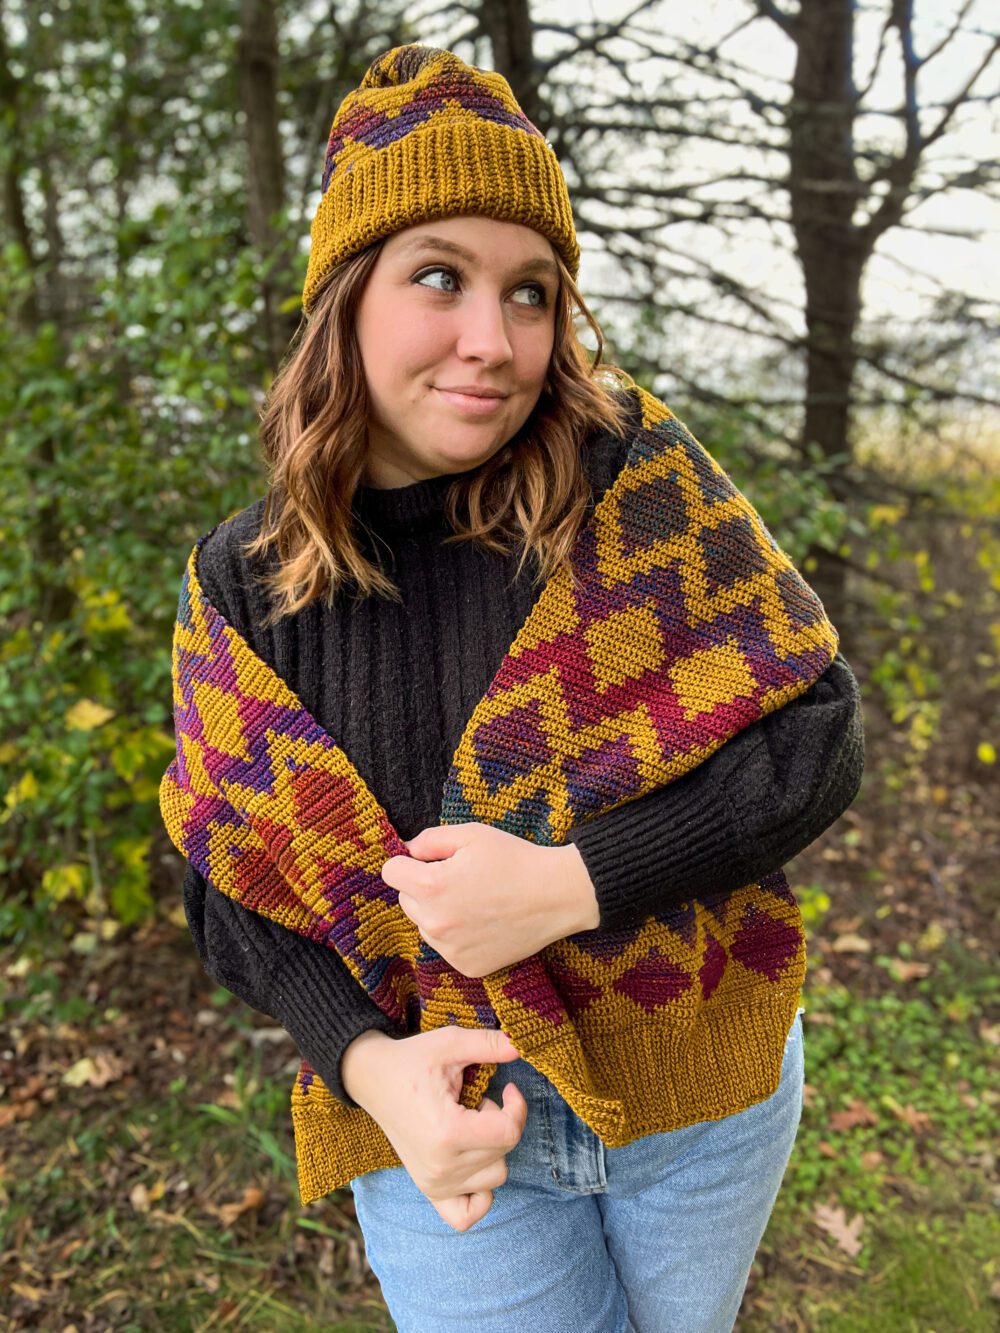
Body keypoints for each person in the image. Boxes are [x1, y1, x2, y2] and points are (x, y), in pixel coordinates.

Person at [172, 43, 864, 1333]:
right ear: (345, 298)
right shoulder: (247, 583)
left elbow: (815, 732)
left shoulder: (629, 492)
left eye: (531, 292)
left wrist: (567, 886)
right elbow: (226, 874)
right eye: (440, 277)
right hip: (452, 1139)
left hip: (700, 1093)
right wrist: (369, 1068)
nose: (494, 342)